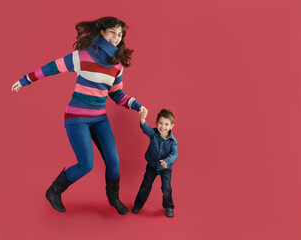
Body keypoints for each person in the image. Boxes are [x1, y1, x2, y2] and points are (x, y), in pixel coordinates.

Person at [11, 17, 148, 215]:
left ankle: (113, 199)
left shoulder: (116, 66)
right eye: (113, 32)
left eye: (120, 35)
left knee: (114, 161)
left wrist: (137, 106)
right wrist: (25, 80)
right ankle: (54, 191)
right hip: (76, 117)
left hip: (100, 118)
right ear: (102, 32)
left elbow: (116, 94)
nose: (116, 37)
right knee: (86, 165)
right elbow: (52, 67)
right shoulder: (82, 56)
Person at [132, 109, 178, 218]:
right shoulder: (154, 134)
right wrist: (142, 120)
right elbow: (146, 129)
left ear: (172, 126)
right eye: (160, 123)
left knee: (166, 188)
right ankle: (138, 205)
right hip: (152, 165)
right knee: (146, 186)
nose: (163, 127)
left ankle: (169, 207)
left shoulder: (173, 141)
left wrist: (167, 162)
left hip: (165, 168)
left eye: (166, 124)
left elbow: (175, 154)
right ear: (156, 123)